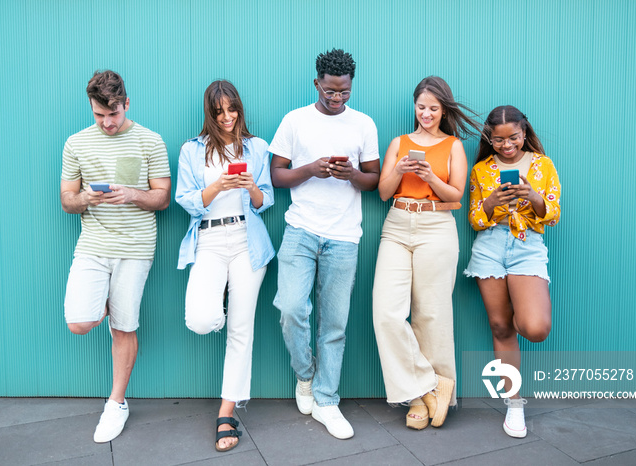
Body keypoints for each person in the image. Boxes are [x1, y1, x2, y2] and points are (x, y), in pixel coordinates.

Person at [269, 48, 380, 440]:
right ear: (316, 82)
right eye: (330, 91)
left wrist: (351, 174)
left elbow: (375, 181)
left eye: (344, 92)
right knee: (291, 308)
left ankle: (327, 400)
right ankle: (306, 375)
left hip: (344, 236)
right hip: (300, 230)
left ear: (351, 86)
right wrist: (310, 170)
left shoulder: (363, 124)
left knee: (334, 324)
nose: (337, 99)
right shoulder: (295, 121)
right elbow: (277, 176)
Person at [60, 70, 171, 443]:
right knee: (78, 322)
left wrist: (132, 195)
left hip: (136, 249)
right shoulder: (76, 143)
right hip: (93, 245)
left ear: (127, 103)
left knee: (124, 327)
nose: (107, 123)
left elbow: (163, 198)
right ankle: (104, 300)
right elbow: (66, 201)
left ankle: (117, 403)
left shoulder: (151, 141)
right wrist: (86, 199)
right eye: (98, 115)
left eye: (114, 114)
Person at [372, 76, 481, 430]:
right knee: (386, 312)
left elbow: (455, 197)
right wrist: (401, 170)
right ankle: (426, 386)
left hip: (437, 225)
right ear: (414, 107)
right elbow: (383, 193)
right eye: (421, 107)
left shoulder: (452, 146)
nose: (426, 114)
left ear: (443, 110)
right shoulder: (398, 143)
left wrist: (431, 177)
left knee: (431, 314)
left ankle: (427, 395)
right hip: (398, 224)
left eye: (434, 108)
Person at [175, 80, 275, 452]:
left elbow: (266, 201)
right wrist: (218, 185)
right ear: (209, 113)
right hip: (210, 241)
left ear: (239, 108)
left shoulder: (257, 147)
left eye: (232, 109)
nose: (227, 117)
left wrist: (249, 186)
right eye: (219, 112)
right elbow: (186, 200)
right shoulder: (192, 150)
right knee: (201, 320)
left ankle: (226, 412)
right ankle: (222, 308)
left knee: (241, 332)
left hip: (247, 241)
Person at [464, 105, 561, 438]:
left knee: (534, 328)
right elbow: (476, 218)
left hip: (527, 245)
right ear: (490, 139)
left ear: (524, 132)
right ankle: (514, 403)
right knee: (499, 325)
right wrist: (492, 201)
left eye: (514, 138)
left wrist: (531, 195)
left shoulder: (542, 165)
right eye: (499, 140)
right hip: (490, 245)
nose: (507, 146)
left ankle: (523, 312)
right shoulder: (481, 169)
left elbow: (552, 214)